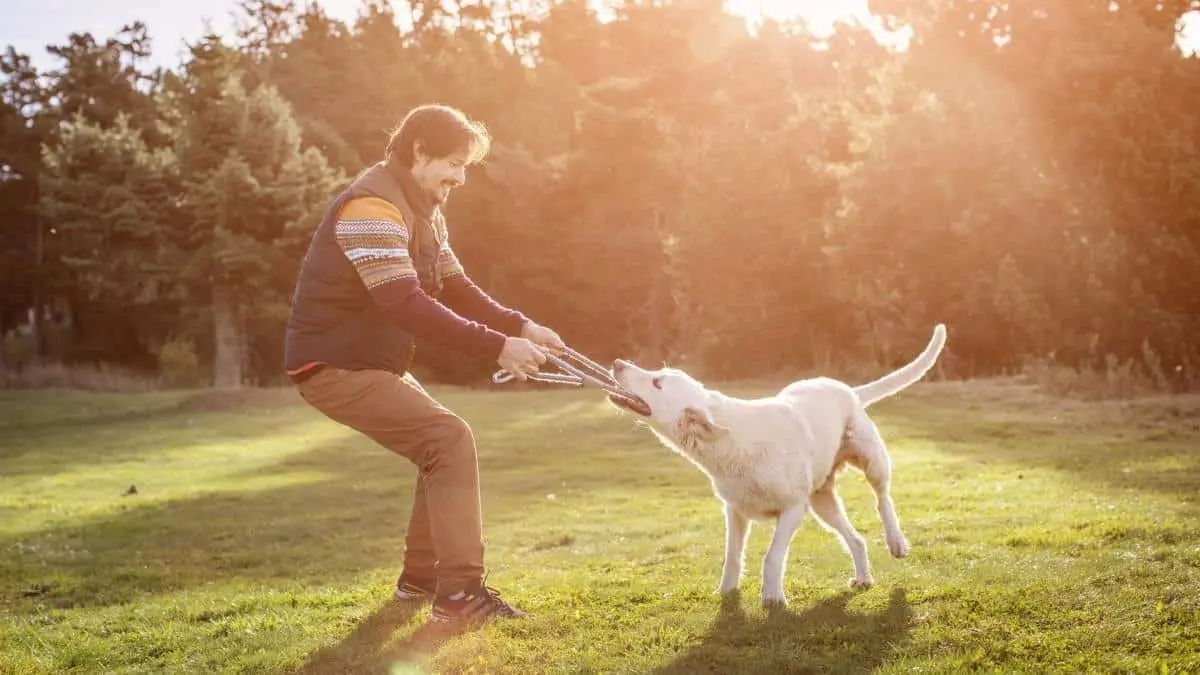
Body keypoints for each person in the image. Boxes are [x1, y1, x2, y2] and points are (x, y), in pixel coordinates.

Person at [283, 104, 565, 624]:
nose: (459, 177)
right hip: (332, 366)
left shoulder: (425, 213)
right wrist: (498, 347)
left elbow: (456, 286)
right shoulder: (371, 208)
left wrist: (520, 326)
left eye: (465, 167)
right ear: (419, 151)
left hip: (370, 364)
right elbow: (404, 303)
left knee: (439, 445)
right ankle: (459, 596)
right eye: (453, 163)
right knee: (448, 438)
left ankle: (420, 581)